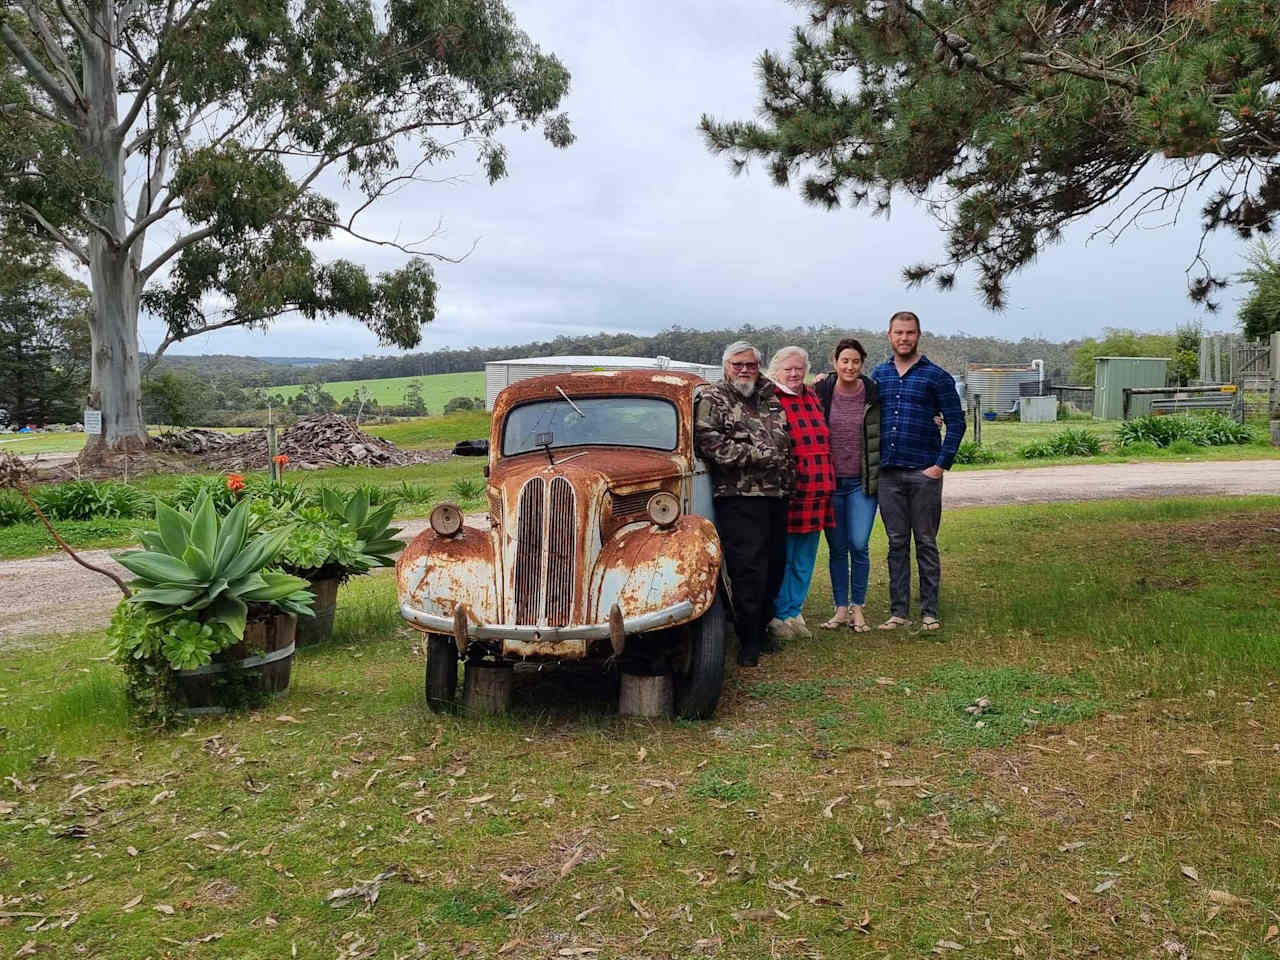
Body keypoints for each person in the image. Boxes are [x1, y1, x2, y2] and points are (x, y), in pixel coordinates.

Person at [694, 340, 795, 666]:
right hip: (739, 496)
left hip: (776, 495)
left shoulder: (770, 397)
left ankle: (762, 627)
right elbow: (709, 441)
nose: (744, 370)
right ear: (726, 366)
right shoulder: (714, 398)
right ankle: (747, 639)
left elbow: (784, 442)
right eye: (738, 364)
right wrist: (757, 455)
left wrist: (788, 478)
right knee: (748, 569)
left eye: (750, 364)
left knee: (775, 565)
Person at [871, 311, 966, 631]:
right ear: (889, 335)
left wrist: (940, 466)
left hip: (923, 472)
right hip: (888, 474)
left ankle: (929, 611)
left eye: (909, 332)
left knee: (925, 541)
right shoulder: (878, 375)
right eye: (898, 332)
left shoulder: (937, 377)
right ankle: (898, 611)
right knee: (896, 543)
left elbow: (957, 422)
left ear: (918, 335)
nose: (904, 338)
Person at [764, 346, 835, 644]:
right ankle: (779, 615)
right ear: (776, 371)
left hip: (818, 491)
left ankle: (795, 611)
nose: (793, 374)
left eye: (798, 368)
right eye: (787, 369)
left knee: (806, 557)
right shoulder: (769, 399)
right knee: (784, 556)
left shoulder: (811, 395)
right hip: (789, 491)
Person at [813, 337, 881, 633]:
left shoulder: (874, 392)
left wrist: (934, 418)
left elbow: (897, 416)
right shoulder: (822, 390)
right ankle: (840, 609)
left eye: (855, 361)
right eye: (844, 361)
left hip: (861, 483)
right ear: (835, 363)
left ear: (861, 364)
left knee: (859, 544)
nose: (850, 366)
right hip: (830, 482)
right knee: (837, 548)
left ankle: (858, 609)